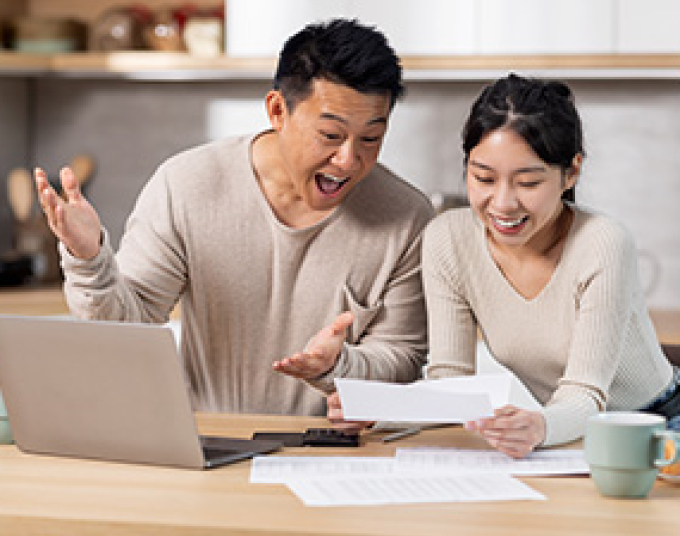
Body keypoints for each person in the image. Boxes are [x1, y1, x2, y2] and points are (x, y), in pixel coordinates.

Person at [34, 19, 434, 416]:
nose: (348, 161)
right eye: (330, 135)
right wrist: (88, 259)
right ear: (278, 110)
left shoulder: (406, 217)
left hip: (338, 455)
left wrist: (339, 368)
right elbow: (124, 328)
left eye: (370, 139)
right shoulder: (187, 185)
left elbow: (402, 355)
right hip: (214, 443)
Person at [418, 73, 680, 458]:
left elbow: (586, 392)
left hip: (657, 425)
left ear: (571, 172)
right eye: (484, 178)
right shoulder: (447, 239)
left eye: (527, 183)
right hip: (566, 431)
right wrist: (373, 414)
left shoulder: (602, 242)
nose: (503, 203)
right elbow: (450, 380)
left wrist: (539, 425)